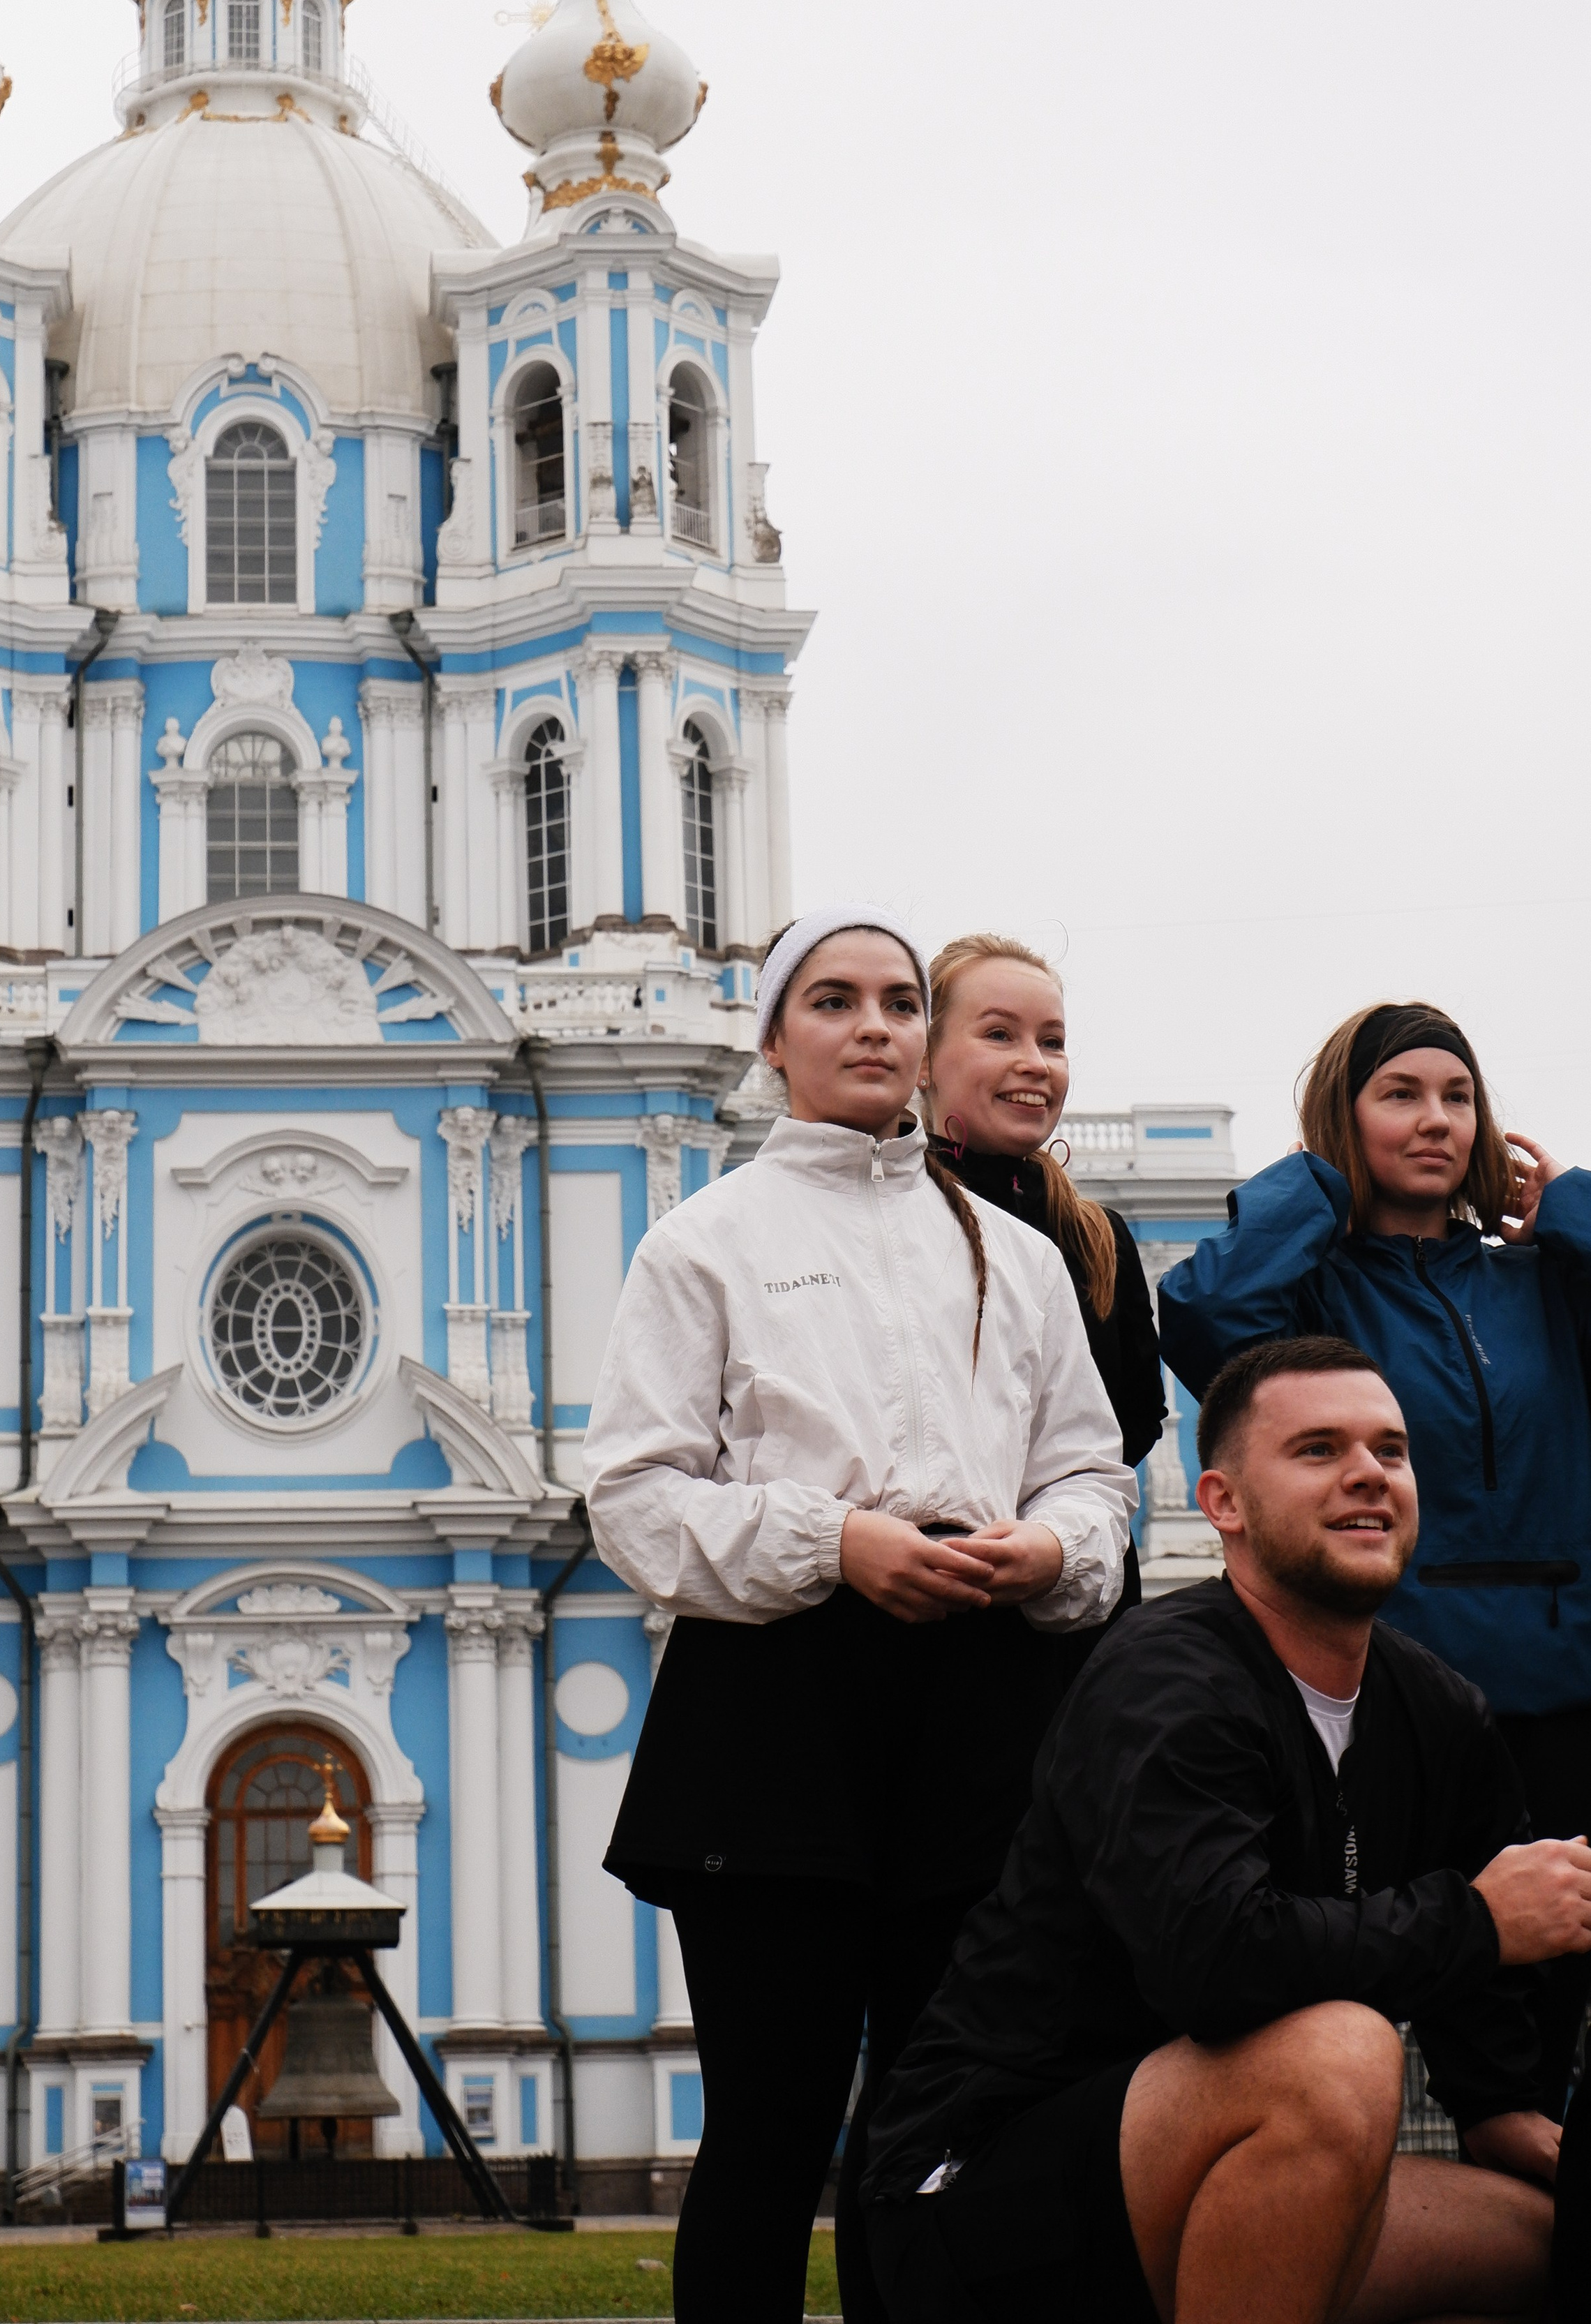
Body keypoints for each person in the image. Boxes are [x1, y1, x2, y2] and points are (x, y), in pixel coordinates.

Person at [583, 904, 1135, 2323]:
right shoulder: (701, 1243)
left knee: (932, 2127)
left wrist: (1046, 1549)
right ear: (773, 1041)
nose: (874, 1026)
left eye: (897, 1001)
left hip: (978, 1708)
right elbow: (634, 1500)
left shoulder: (1013, 1259)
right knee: (768, 2130)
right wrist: (836, 1544)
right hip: (776, 1713)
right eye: (833, 1002)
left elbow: (1086, 1461)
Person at [862, 1336, 1591, 2323]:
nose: (1369, 1475)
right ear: (1224, 1505)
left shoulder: (1436, 1710)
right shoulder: (1166, 1681)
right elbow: (1214, 1961)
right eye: (1320, 1450)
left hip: (1223, 2182)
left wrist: (1502, 2107)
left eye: (1391, 1450)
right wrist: (1475, 1922)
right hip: (981, 2194)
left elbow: (1490, 1973)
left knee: (1551, 2238)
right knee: (1338, 2054)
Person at [1158, 999, 1591, 2114]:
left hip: (1567, 1698)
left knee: (1549, 2021)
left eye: (1458, 1097)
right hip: (1397, 1697)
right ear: (1345, 1123)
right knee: (1382, 2006)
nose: (1436, 1119)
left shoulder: (1541, 1281)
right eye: (1399, 1094)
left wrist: (1573, 1212)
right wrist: (1315, 1186)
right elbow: (1205, 1317)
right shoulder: (1316, 1292)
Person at [920, 932, 1166, 1644]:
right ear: (922, 1061)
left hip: (1075, 1596)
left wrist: (1057, 1529)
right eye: (999, 1034)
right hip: (940, 1591)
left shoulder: (1096, 1234)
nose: (1034, 1063)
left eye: (1052, 1042)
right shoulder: (889, 1220)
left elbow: (1134, 1419)